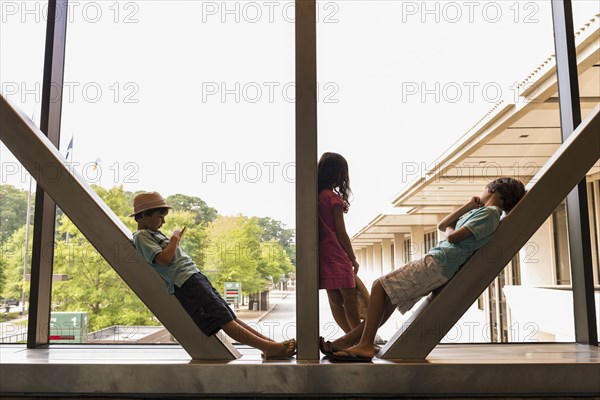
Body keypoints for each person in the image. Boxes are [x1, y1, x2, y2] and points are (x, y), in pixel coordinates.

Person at [320, 177, 526, 361]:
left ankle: (364, 344)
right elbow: (442, 225)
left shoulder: (490, 214)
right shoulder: (482, 212)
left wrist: (453, 227)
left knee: (379, 286)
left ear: (494, 192)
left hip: (438, 263)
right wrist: (466, 207)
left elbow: (452, 236)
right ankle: (347, 341)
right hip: (437, 264)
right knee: (388, 301)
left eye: (485, 189)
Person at [130, 191, 296, 359]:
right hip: (185, 283)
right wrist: (174, 238)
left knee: (228, 316)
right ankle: (269, 348)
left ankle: (271, 345)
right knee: (223, 320)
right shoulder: (141, 237)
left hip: (193, 277)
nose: (163, 221)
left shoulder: (153, 234)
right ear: (144, 215)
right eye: (160, 216)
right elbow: (164, 260)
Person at [318, 152, 361, 334]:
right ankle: (360, 340)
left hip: (323, 255)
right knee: (350, 300)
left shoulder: (317, 196)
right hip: (336, 253)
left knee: (335, 301)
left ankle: (350, 338)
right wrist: (352, 258)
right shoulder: (333, 199)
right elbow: (341, 233)